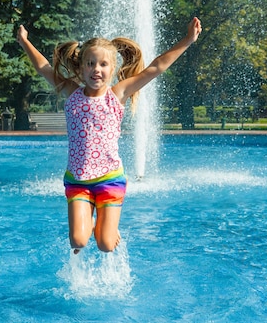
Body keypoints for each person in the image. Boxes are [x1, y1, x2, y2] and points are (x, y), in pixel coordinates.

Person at [17, 17, 202, 254]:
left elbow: (156, 67)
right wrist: (25, 42)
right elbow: (43, 67)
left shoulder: (118, 94)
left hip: (109, 179)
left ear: (112, 69)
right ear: (81, 68)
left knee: (105, 245)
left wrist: (187, 40)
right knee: (78, 241)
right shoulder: (71, 92)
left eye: (103, 64)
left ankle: (107, 227)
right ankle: (92, 223)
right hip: (78, 181)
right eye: (91, 63)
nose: (97, 69)